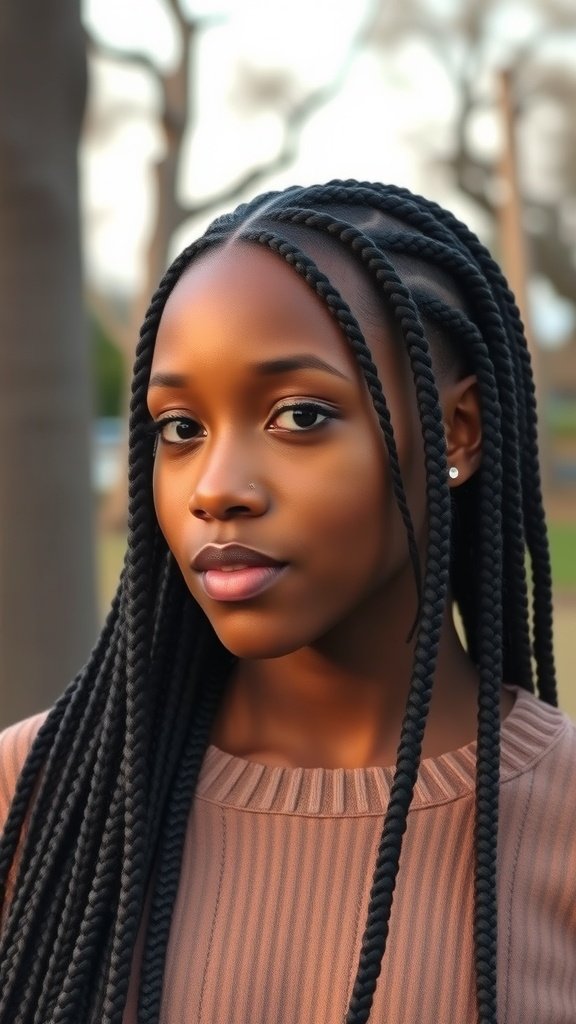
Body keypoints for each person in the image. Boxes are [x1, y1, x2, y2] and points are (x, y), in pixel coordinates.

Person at [0, 180, 574, 1024]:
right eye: (180, 429)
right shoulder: (36, 797)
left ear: (457, 431)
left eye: (299, 415)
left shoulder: (559, 816)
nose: (216, 490)